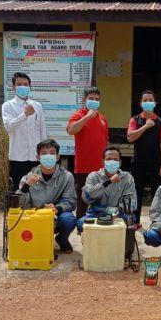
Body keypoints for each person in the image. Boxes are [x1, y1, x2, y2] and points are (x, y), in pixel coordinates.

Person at [19, 139, 77, 253]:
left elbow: (70, 200)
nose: (48, 156)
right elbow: (19, 203)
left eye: (52, 153)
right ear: (38, 157)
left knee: (68, 219)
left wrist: (57, 208)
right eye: (44, 153)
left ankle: (62, 240)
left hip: (56, 214)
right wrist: (26, 186)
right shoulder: (29, 177)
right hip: (35, 216)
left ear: (57, 157)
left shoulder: (67, 176)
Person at [127, 90, 161, 224]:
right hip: (138, 162)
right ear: (141, 103)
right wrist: (145, 126)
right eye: (145, 100)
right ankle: (135, 222)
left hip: (156, 162)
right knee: (136, 193)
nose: (148, 102)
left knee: (157, 193)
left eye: (150, 100)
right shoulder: (135, 120)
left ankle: (157, 222)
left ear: (155, 103)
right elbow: (130, 137)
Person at [66, 87, 109, 220]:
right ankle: (81, 226)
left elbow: (106, 141)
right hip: (84, 166)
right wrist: (87, 117)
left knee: (101, 198)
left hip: (101, 167)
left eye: (97, 99)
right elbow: (71, 130)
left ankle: (98, 224)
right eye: (91, 98)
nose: (94, 101)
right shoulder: (78, 115)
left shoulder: (103, 118)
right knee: (83, 199)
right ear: (84, 100)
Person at [2, 72, 47, 191]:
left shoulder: (37, 106)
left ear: (30, 86)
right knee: (17, 191)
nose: (23, 87)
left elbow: (42, 130)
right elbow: (9, 127)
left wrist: (44, 153)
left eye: (25, 84)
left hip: (35, 157)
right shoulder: (8, 105)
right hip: (18, 157)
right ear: (13, 87)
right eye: (19, 84)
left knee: (37, 190)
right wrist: (24, 115)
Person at [77, 146, 137, 232]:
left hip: (119, 213)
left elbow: (132, 201)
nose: (112, 162)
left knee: (131, 221)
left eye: (115, 159)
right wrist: (108, 182)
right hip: (96, 213)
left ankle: (124, 241)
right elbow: (87, 197)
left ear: (120, 162)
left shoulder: (127, 178)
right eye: (108, 159)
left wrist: (117, 210)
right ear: (103, 162)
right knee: (81, 224)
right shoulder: (93, 176)